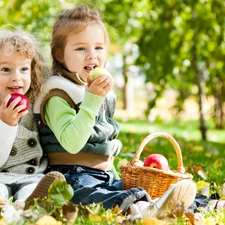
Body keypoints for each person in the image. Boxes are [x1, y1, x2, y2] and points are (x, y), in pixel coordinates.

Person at [33, 4, 196, 220]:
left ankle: (180, 202)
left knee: (122, 188)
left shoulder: (96, 90)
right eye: (81, 48)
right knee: (91, 195)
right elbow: (72, 143)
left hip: (104, 174)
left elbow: (105, 137)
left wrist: (114, 170)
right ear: (60, 54)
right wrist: (92, 100)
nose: (92, 55)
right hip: (71, 173)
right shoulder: (58, 94)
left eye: (98, 48)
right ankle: (144, 207)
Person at [0, 29, 65, 203]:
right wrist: (6, 124)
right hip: (0, 176)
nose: (16, 77)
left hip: (32, 175)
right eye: (5, 69)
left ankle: (28, 204)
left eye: (23, 69)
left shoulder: (36, 102)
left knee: (32, 192)